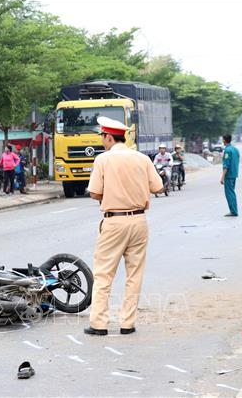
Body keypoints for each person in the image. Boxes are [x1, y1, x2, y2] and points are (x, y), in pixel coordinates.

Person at [84, 116, 164, 336]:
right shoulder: (142, 158)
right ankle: (127, 323)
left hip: (114, 222)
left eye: (102, 137)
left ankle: (99, 324)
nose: (102, 141)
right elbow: (158, 187)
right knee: (134, 274)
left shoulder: (103, 159)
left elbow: (94, 193)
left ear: (109, 137)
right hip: (139, 221)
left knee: (103, 274)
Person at [220, 134, 240, 217]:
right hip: (234, 173)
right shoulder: (235, 149)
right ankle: (234, 210)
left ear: (224, 140)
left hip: (229, 175)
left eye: (222, 139)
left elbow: (226, 165)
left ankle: (233, 211)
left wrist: (222, 177)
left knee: (229, 193)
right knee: (232, 192)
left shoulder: (227, 151)